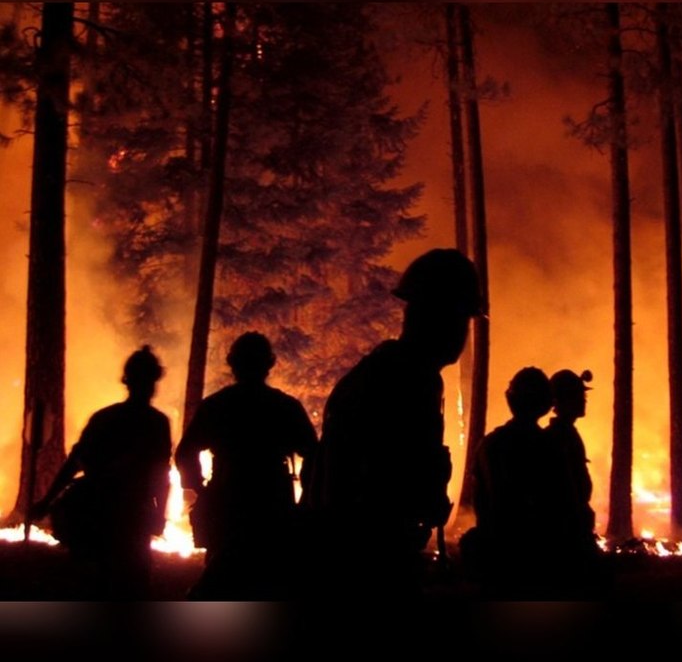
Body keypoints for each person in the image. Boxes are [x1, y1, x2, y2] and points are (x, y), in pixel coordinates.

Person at [302, 248, 482, 596]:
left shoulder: (389, 371)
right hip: (366, 557)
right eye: (462, 319)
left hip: (352, 549)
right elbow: (389, 476)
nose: (463, 334)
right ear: (438, 317)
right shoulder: (409, 381)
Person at [175, 331, 317, 599]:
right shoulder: (284, 406)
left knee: (221, 583)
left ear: (233, 364)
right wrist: (304, 499)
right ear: (269, 364)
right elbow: (313, 453)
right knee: (269, 583)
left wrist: (201, 489)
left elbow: (185, 453)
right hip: (273, 503)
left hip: (227, 501)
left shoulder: (217, 405)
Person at [30, 346, 172, 599]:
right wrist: (159, 515)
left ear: (127, 380)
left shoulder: (104, 418)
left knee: (92, 586)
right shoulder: (156, 423)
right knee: (130, 588)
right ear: (153, 383)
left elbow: (74, 462)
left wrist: (47, 501)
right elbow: (160, 476)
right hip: (131, 517)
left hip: (94, 514)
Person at [467, 366, 556, 598]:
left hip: (498, 556)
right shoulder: (548, 447)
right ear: (545, 403)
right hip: (539, 557)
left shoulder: (490, 444)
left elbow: (480, 499)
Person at [544, 368, 605, 594]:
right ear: (561, 400)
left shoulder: (565, 433)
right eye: (578, 396)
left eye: (583, 396)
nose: (583, 401)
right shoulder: (559, 437)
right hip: (567, 533)